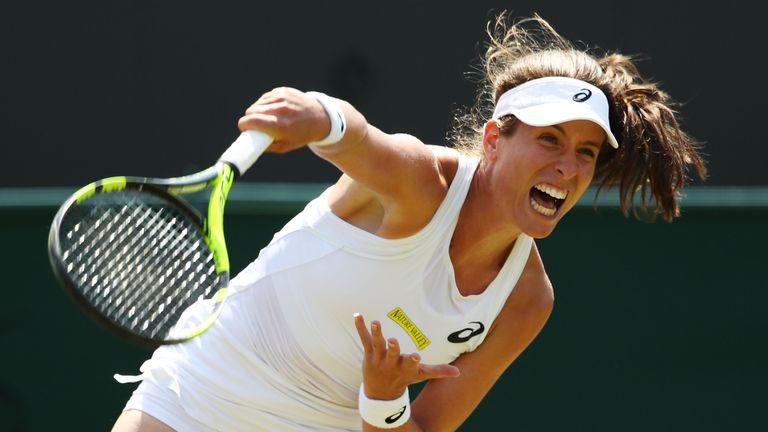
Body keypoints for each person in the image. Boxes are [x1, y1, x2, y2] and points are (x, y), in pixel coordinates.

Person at [112, 13, 706, 432]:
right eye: (549, 139)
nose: (567, 167)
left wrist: (384, 397)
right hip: (199, 393)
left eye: (585, 152)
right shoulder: (422, 183)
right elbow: (359, 139)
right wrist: (316, 114)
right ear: (493, 140)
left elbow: (422, 427)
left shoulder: (526, 300)